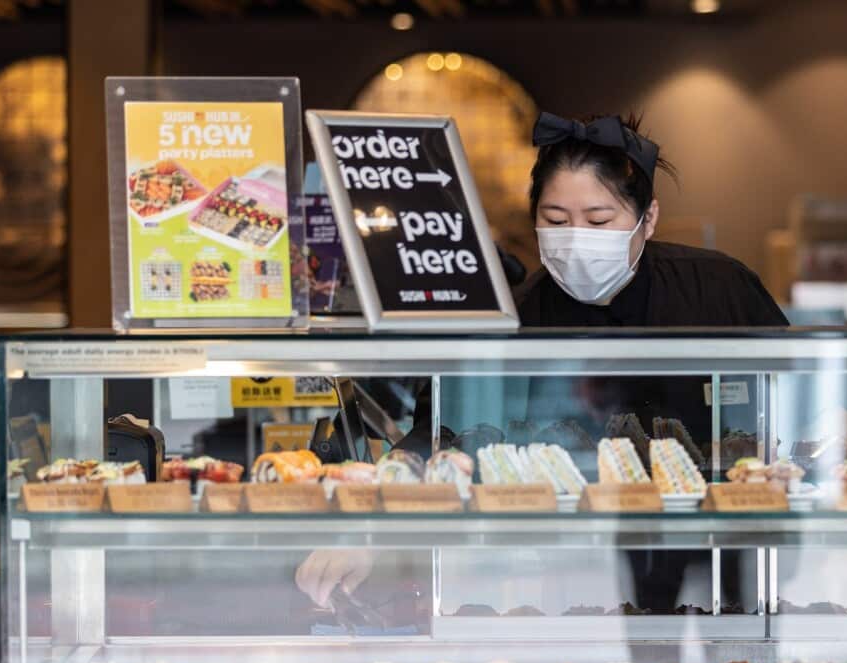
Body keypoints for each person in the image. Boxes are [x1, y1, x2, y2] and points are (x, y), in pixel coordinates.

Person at [296, 112, 786, 612]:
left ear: (649, 219)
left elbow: (799, 404)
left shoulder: (719, 289)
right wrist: (369, 525)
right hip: (579, 568)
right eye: (555, 221)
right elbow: (450, 438)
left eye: (598, 221)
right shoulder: (518, 315)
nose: (576, 237)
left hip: (721, 550)